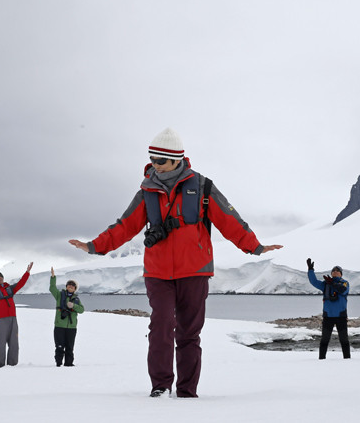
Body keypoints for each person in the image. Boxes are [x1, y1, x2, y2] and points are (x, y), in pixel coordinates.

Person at [69, 127, 282, 398]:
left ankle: (186, 391)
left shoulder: (203, 186)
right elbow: (124, 226)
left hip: (194, 271)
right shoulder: (146, 191)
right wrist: (94, 246)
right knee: (160, 328)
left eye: (160, 160)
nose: (154, 165)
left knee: (189, 334)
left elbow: (230, 219)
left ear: (176, 159)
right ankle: (160, 386)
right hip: (158, 272)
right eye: (151, 159)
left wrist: (255, 246)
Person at [0, 260, 33, 368]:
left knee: (14, 343)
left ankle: (12, 364)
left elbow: (21, 283)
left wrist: (27, 272)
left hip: (13, 319)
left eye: (1, 276)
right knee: (0, 343)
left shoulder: (10, 289)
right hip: (1, 320)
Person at [306, 258, 351, 359]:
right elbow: (314, 282)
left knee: (344, 340)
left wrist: (333, 283)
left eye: (337, 271)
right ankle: (321, 360)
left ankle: (347, 360)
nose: (335, 272)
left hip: (341, 316)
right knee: (324, 340)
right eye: (333, 271)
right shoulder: (325, 284)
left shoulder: (345, 283)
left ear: (341, 274)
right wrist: (310, 269)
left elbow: (343, 290)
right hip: (328, 316)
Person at [49, 267, 85, 367]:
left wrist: (73, 306)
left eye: (73, 285)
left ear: (75, 289)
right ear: (66, 286)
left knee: (70, 347)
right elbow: (52, 288)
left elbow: (82, 310)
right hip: (60, 326)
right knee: (59, 347)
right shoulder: (60, 295)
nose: (71, 286)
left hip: (72, 328)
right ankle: (58, 364)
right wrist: (53, 277)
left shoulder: (76, 300)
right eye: (69, 284)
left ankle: (69, 364)